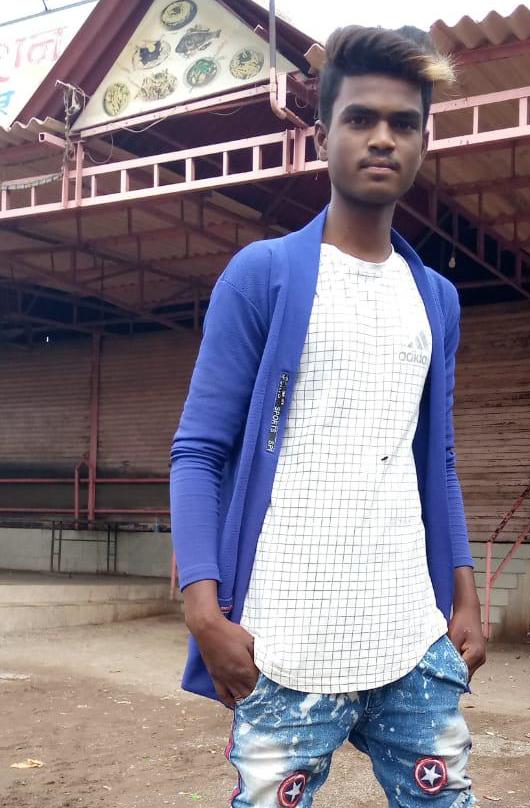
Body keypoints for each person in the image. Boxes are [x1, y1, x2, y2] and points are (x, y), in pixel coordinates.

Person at [170, 24, 486, 808]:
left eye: (403, 123)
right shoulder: (265, 276)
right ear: (322, 136)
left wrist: (466, 597)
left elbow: (437, 460)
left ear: (423, 141)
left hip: (410, 640)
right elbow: (198, 451)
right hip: (283, 647)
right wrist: (204, 612)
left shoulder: (436, 300)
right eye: (360, 118)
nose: (382, 138)